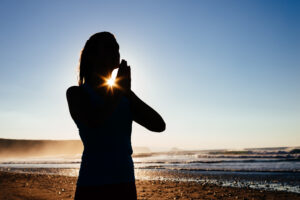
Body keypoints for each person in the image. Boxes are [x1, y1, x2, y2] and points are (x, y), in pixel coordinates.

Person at [66, 32, 166, 200]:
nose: (116, 51)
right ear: (92, 56)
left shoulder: (124, 95)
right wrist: (120, 92)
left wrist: (127, 93)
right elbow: (94, 121)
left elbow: (158, 125)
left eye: (117, 48)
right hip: (92, 183)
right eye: (109, 47)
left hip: (125, 182)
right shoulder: (77, 93)